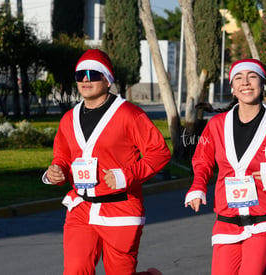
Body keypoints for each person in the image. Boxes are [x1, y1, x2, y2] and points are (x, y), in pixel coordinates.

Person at [42, 49, 170, 275]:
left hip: (120, 208)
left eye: (92, 74)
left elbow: (159, 152)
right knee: (75, 270)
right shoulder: (69, 118)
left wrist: (126, 175)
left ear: (107, 79)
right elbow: (62, 156)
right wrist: (57, 170)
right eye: (80, 75)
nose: (85, 80)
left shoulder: (130, 114)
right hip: (80, 208)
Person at [184, 59, 266, 275]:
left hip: (264, 221)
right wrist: (198, 186)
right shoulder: (216, 125)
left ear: (262, 85)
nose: (246, 82)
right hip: (226, 222)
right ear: (232, 88)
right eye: (239, 78)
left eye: (252, 77)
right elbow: (202, 160)